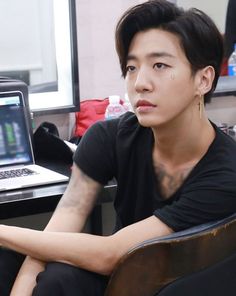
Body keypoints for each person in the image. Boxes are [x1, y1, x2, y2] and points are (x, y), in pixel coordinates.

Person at [1, 0, 236, 295]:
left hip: (172, 283)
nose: (140, 83)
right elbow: (57, 232)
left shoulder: (226, 173)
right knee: (23, 266)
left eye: (159, 65)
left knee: (58, 278)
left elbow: (112, 253)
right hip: (120, 279)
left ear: (203, 79)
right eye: (131, 67)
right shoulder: (107, 137)